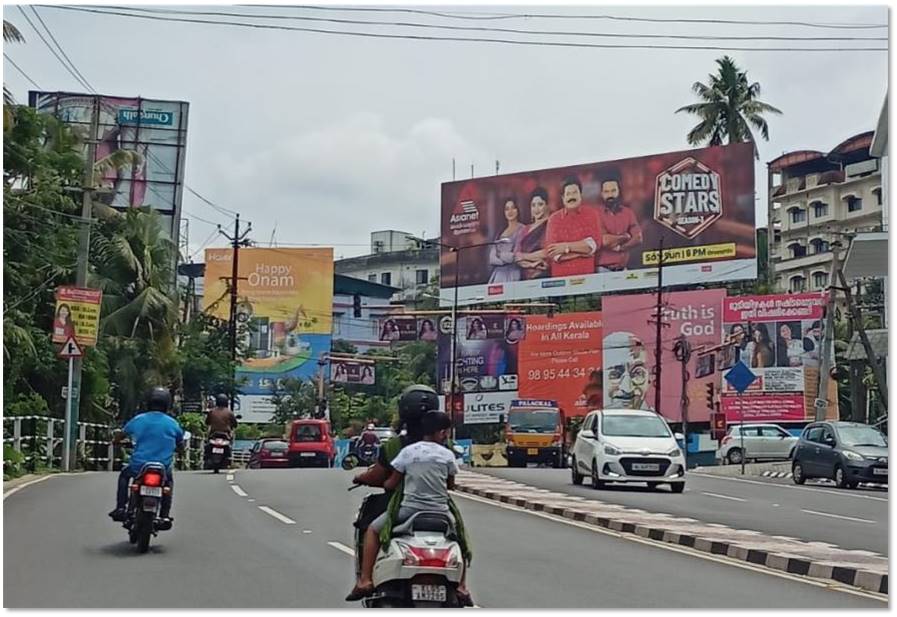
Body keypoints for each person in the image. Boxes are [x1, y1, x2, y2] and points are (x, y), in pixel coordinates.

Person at [347, 386, 471, 604]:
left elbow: (384, 478)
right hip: (441, 510)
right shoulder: (447, 448)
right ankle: (462, 586)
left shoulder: (398, 447)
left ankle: (365, 580)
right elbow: (451, 483)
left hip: (403, 505)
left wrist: (364, 479)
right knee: (460, 537)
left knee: (372, 529)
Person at [108, 387, 185, 527]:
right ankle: (164, 515)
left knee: (124, 476)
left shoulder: (138, 420)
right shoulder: (172, 423)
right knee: (168, 483)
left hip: (139, 466)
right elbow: (180, 442)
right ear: (168, 404)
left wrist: (116, 441)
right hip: (163, 467)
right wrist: (180, 450)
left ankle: (120, 507)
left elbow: (121, 434)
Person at [544, 176, 603, 277]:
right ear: (563, 198)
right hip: (561, 282)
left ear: (580, 195)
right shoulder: (554, 219)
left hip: (587, 278)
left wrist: (565, 247)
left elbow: (594, 245)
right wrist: (582, 252)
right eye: (568, 194)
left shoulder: (591, 214)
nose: (572, 196)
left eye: (575, 192)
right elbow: (553, 253)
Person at [595, 172, 643, 272]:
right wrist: (626, 237)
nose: (610, 195)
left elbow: (638, 238)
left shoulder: (628, 212)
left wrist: (621, 247)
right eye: (606, 192)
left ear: (619, 191)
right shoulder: (596, 214)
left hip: (624, 269)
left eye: (613, 191)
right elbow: (605, 241)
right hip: (603, 270)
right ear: (601, 194)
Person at [603, 331, 651, 410]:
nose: (627, 389)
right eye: (615, 374)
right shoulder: (596, 420)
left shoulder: (656, 421)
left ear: (649, 381)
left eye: (637, 373)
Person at [514, 187, 551, 279]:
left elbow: (547, 252)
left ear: (547, 205)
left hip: (544, 276)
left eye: (540, 204)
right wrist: (533, 264)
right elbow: (516, 256)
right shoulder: (524, 230)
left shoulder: (551, 225)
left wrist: (524, 256)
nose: (536, 209)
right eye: (533, 205)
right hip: (525, 278)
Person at [488, 197, 525, 283]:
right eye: (507, 209)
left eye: (513, 208)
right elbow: (491, 259)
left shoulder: (523, 229)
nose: (510, 211)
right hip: (497, 275)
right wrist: (505, 257)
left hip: (513, 274)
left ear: (518, 210)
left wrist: (499, 254)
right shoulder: (500, 232)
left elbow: (514, 256)